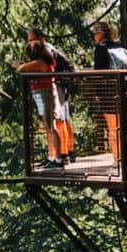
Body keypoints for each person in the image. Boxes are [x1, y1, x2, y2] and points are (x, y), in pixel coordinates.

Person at [91, 21, 127, 161]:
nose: (94, 36)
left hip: (108, 92)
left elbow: (99, 74)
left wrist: (97, 94)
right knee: (123, 125)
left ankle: (118, 158)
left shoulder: (100, 49)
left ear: (100, 34)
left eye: (95, 33)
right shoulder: (120, 47)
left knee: (112, 127)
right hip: (124, 91)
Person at [28, 28, 76, 161]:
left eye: (32, 39)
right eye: (29, 40)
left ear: (41, 38)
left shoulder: (46, 49)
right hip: (54, 86)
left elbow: (45, 67)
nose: (30, 43)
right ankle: (59, 154)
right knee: (57, 120)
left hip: (54, 86)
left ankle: (61, 155)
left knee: (56, 121)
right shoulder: (44, 49)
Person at [14, 41, 64, 169]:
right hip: (40, 93)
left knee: (51, 125)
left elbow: (22, 68)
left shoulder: (42, 62)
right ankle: (52, 157)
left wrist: (20, 65)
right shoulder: (38, 63)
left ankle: (58, 159)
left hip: (45, 93)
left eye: (34, 47)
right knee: (47, 126)